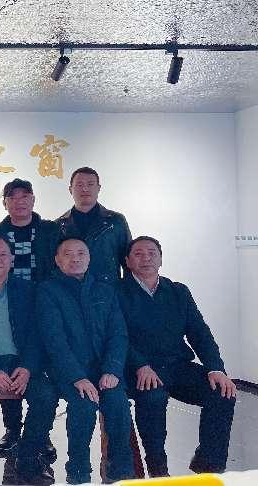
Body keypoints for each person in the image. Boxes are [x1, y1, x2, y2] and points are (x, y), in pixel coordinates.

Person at [120, 236, 236, 476]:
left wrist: (216, 368)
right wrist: (140, 364)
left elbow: (199, 332)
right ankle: (158, 470)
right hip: (137, 369)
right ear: (127, 261)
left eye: (152, 253)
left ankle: (209, 466)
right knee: (152, 397)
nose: (146, 258)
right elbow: (116, 336)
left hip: (176, 365)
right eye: (138, 254)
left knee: (222, 392)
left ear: (161, 259)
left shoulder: (178, 291)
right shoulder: (116, 293)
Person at [37, 238, 133, 484]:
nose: (75, 258)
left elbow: (118, 333)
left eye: (81, 253)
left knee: (118, 403)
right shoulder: (48, 291)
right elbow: (54, 340)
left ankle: (120, 471)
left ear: (89, 258)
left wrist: (112, 370)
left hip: (104, 370)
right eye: (68, 254)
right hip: (67, 371)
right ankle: (78, 472)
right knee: (83, 406)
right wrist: (77, 376)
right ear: (57, 260)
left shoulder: (104, 289)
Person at [0, 235, 57, 486]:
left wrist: (27, 367)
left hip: (20, 362)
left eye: (3, 254)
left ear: (12, 259)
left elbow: (38, 333)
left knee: (46, 396)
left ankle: (28, 458)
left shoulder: (28, 290)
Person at [0, 178, 59, 460]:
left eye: (25, 196)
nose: (20, 202)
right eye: (12, 197)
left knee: (37, 366)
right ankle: (13, 429)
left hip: (45, 300)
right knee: (8, 354)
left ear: (33, 199)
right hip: (10, 302)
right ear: (5, 203)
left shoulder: (51, 230)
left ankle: (40, 434)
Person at [56, 167, 131, 285]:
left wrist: (128, 291)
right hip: (70, 289)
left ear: (98, 188)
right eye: (79, 185)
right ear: (70, 189)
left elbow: (128, 261)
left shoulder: (116, 221)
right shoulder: (58, 225)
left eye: (90, 184)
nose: (85, 189)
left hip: (109, 289)